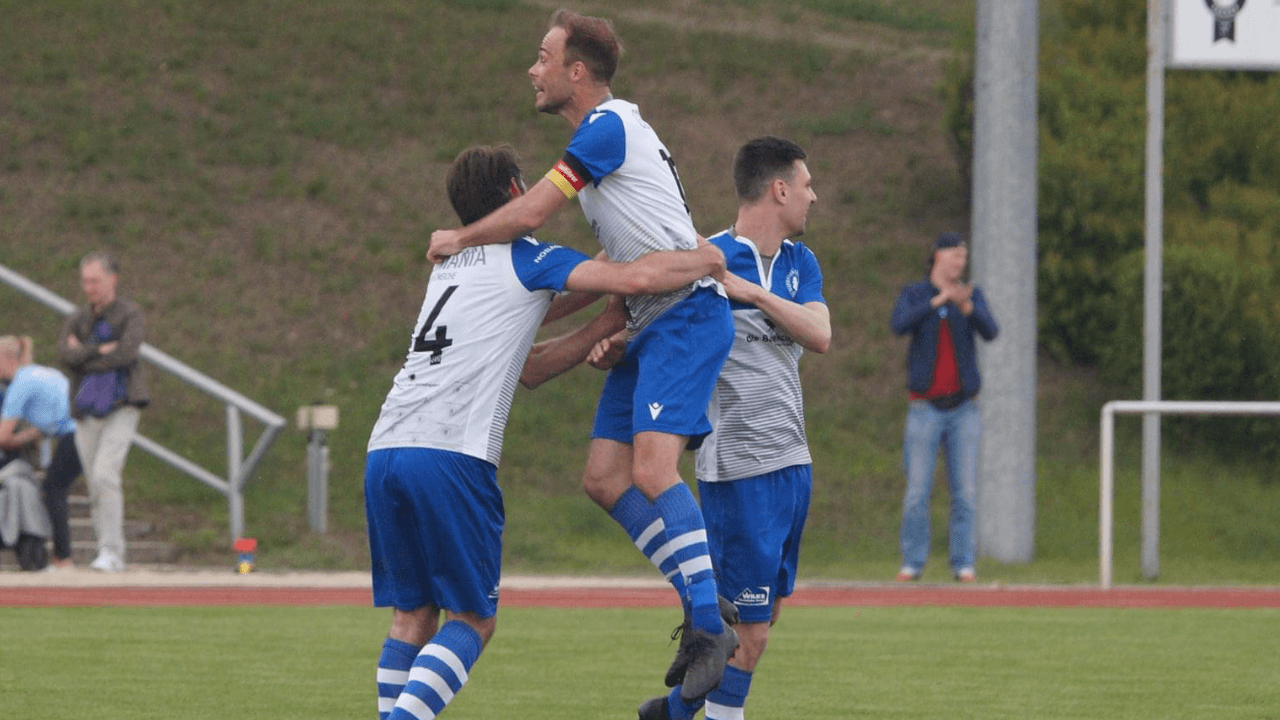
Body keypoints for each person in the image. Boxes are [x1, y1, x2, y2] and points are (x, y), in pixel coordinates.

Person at [427, 9, 739, 701]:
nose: (531, 70)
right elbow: (613, 258)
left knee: (655, 471)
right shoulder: (608, 149)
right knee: (604, 478)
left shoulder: (607, 127)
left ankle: (710, 622)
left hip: (686, 314)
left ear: (577, 72)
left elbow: (534, 211)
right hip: (651, 320)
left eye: (542, 57)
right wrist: (568, 308)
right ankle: (700, 608)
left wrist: (463, 237)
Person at [368, 143, 727, 720]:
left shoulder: (451, 269)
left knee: (412, 615)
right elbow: (636, 277)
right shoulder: (529, 258)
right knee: (473, 621)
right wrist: (705, 259)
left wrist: (604, 322)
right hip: (451, 457)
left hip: (385, 449)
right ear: (515, 192)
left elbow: (531, 365)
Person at [627, 137, 829, 720]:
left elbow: (820, 335)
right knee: (749, 635)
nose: (814, 195)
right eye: (807, 183)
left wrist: (749, 293)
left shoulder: (800, 264)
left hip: (793, 465)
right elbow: (650, 318)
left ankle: (669, 714)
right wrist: (616, 344)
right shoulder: (707, 258)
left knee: (763, 625)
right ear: (780, 189)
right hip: (738, 474)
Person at [890, 231, 998, 583]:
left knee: (964, 491)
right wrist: (938, 302)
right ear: (938, 256)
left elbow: (991, 330)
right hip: (924, 409)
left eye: (963, 257)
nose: (960, 262)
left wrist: (966, 307)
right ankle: (913, 562)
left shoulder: (971, 295)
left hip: (964, 409)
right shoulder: (917, 293)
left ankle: (963, 562)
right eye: (955, 255)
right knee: (917, 490)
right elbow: (898, 325)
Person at [56, 251, 149, 573]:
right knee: (95, 484)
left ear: (112, 279)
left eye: (95, 280)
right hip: (85, 408)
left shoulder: (130, 313)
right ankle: (104, 550)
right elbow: (64, 356)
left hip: (122, 405)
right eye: (85, 281)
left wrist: (83, 353)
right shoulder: (78, 317)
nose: (89, 287)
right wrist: (97, 350)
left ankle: (113, 551)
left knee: (105, 474)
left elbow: (125, 354)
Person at [0, 335, 82, 570]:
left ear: (5, 359)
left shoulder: (19, 386)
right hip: (82, 430)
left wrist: (23, 437)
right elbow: (48, 420)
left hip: (74, 434)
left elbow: (3, 436)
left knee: (53, 490)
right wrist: (33, 433)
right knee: (57, 489)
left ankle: (63, 558)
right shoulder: (43, 373)